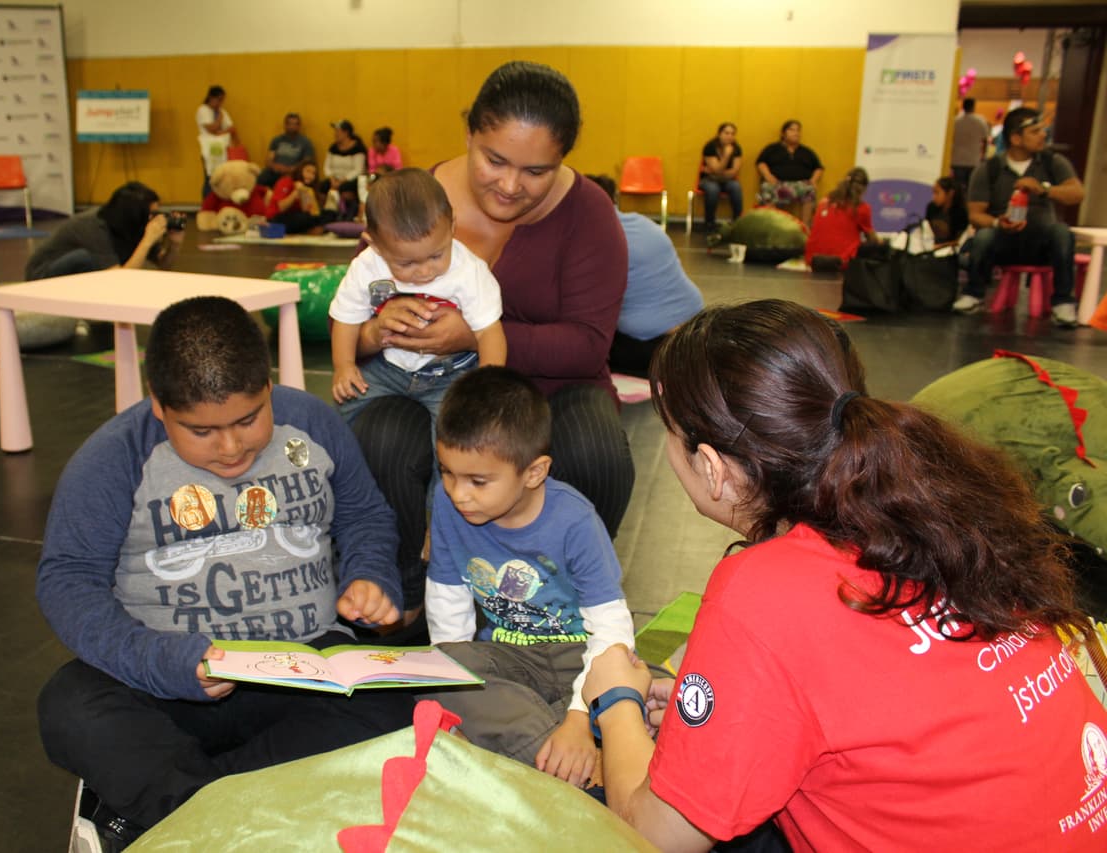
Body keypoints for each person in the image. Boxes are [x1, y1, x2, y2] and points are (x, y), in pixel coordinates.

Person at [583, 298, 1107, 852]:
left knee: (592, 814)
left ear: (712, 467)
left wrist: (615, 701)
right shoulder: (941, 506)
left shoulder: (763, 589)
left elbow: (657, 837)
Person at [35, 296, 414, 849]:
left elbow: (363, 515)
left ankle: (173, 814)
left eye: (249, 418)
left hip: (304, 666)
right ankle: (249, 811)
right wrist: (164, 662)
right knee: (69, 706)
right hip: (171, 682)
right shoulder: (113, 457)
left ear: (268, 385)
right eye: (203, 431)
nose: (233, 447)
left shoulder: (310, 422)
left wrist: (369, 574)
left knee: (397, 704)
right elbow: (66, 581)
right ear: (159, 406)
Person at [345, 61, 633, 631]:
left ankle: (561, 600)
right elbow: (355, 307)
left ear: (562, 161)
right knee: (378, 431)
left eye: (535, 171)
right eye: (494, 159)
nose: (508, 185)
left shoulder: (590, 216)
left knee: (596, 450)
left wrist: (473, 336)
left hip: (550, 389)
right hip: (423, 383)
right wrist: (378, 332)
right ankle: (406, 589)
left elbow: (587, 346)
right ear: (469, 134)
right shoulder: (414, 202)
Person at [423, 366, 635, 789]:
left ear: (534, 472)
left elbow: (611, 635)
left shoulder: (575, 521)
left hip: (578, 658)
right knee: (435, 670)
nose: (457, 492)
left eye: (478, 481)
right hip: (509, 660)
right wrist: (448, 682)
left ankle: (557, 750)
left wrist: (577, 717)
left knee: (643, 686)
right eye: (446, 472)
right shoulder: (450, 506)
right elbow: (447, 603)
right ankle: (569, 761)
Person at [329, 167, 505, 437]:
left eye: (436, 255)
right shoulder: (367, 266)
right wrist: (344, 366)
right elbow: (346, 319)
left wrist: (487, 383)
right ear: (374, 244)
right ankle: (343, 472)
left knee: (456, 432)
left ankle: (446, 480)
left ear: (452, 227)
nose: (424, 271)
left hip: (450, 373)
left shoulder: (468, 270)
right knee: (345, 408)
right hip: (387, 368)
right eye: (407, 263)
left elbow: (489, 332)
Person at [953, 107, 1085, 325]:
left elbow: (1077, 194)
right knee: (984, 235)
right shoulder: (990, 169)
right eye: (1035, 131)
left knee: (1062, 232)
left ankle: (1063, 302)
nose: (1043, 135)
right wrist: (998, 223)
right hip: (1004, 243)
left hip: (1041, 245)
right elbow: (975, 215)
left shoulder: (1053, 162)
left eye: (1043, 130)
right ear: (1015, 138)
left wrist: (1044, 189)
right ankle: (973, 294)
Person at [586, 174, 703, 377]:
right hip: (697, 325)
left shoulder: (597, 239)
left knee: (579, 347)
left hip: (655, 346)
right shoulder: (641, 221)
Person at [24, 181, 180, 280]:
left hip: (78, 271)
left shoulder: (135, 226)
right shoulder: (93, 227)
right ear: (134, 215)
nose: (155, 219)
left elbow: (163, 266)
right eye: (151, 214)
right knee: (84, 258)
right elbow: (119, 279)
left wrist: (174, 244)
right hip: (41, 276)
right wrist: (147, 241)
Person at [803, 167, 878, 271]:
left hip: (812, 260)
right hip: (841, 262)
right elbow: (873, 240)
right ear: (864, 188)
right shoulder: (861, 208)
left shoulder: (825, 201)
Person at [755, 119, 823, 225]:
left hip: (799, 185)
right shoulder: (772, 148)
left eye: (798, 130)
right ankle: (771, 226)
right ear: (783, 133)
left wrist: (813, 180)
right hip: (777, 184)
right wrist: (767, 175)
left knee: (810, 190)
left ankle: (805, 228)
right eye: (791, 130)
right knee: (767, 188)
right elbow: (761, 163)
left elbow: (818, 168)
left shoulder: (806, 151)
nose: (795, 133)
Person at [698, 123, 744, 232]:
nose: (729, 136)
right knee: (713, 189)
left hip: (727, 181)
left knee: (736, 186)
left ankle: (737, 222)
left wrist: (716, 171)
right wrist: (726, 156)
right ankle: (709, 222)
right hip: (708, 180)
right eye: (726, 133)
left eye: (732, 134)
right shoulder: (710, 147)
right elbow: (717, 169)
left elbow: (734, 171)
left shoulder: (736, 148)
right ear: (719, 134)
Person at [196, 85, 239, 199]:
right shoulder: (203, 110)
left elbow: (232, 128)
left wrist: (221, 132)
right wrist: (219, 118)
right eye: (219, 100)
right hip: (209, 150)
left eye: (222, 100)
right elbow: (212, 129)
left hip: (223, 150)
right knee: (210, 178)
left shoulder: (222, 111)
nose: (220, 103)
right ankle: (207, 203)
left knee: (223, 178)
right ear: (211, 97)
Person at [323, 119, 367, 220]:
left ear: (346, 133)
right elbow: (327, 166)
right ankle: (327, 216)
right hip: (334, 179)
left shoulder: (358, 148)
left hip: (350, 179)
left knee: (345, 188)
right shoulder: (333, 148)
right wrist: (332, 179)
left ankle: (346, 215)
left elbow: (358, 169)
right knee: (324, 186)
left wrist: (341, 181)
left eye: (338, 132)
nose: (335, 134)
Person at [257, 112, 316, 187]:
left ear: (299, 126)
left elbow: (307, 162)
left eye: (295, 124)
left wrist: (291, 169)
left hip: (293, 173)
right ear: (285, 125)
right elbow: (268, 160)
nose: (292, 126)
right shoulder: (277, 140)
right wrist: (275, 166)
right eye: (289, 124)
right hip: (275, 171)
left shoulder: (305, 142)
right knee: (261, 179)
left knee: (287, 182)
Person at [266, 160, 325, 234]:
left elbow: (309, 211)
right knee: (306, 218)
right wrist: (296, 192)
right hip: (276, 218)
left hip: (294, 216)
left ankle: (309, 230)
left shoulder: (308, 188)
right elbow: (281, 207)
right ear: (300, 170)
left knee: (320, 216)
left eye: (313, 173)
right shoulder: (286, 181)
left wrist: (307, 196)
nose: (310, 176)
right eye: (308, 171)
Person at [950, 97, 989, 190]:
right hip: (973, 159)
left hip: (957, 159)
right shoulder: (980, 122)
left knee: (958, 188)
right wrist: (983, 155)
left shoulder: (955, 121)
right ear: (973, 107)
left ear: (963, 106)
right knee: (971, 187)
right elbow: (985, 140)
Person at [924, 175, 970, 246]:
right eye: (933, 193)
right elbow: (926, 231)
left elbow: (960, 240)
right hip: (930, 246)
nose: (934, 197)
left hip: (950, 251)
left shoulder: (960, 213)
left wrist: (940, 246)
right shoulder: (931, 207)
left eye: (937, 193)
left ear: (950, 193)